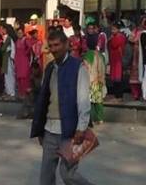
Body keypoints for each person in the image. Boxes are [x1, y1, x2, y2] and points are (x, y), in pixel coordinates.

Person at [30, 29, 94, 185]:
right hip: (49, 130)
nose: (53, 49)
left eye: (57, 45)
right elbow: (44, 99)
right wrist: (39, 128)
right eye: (51, 46)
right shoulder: (50, 67)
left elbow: (83, 100)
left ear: (66, 45)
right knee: (46, 177)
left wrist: (81, 128)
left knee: (68, 175)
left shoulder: (78, 68)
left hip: (70, 131)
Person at [82, 33, 107, 125]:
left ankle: (91, 119)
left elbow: (85, 68)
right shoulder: (101, 55)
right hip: (100, 81)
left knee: (90, 101)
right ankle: (100, 119)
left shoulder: (87, 55)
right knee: (99, 101)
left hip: (90, 81)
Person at [107, 21, 127, 102]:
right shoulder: (115, 36)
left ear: (118, 29)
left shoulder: (120, 37)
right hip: (114, 59)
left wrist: (111, 39)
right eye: (112, 29)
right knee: (115, 78)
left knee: (118, 78)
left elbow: (114, 45)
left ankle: (119, 96)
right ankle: (117, 95)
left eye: (114, 29)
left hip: (118, 59)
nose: (112, 31)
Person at [128, 18, 145, 100]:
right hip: (136, 54)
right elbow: (130, 38)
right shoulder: (136, 30)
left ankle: (143, 93)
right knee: (134, 74)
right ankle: (135, 94)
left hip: (144, 54)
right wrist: (136, 40)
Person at [15, 26, 33, 98]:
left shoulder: (25, 40)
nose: (19, 34)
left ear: (23, 33)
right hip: (18, 60)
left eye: (20, 33)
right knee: (19, 77)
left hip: (24, 60)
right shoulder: (17, 41)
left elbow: (29, 47)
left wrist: (25, 53)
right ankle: (20, 93)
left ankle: (25, 94)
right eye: (18, 33)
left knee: (24, 77)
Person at [3, 24, 18, 100]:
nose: (2, 30)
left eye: (3, 29)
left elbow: (3, 48)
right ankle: (9, 92)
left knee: (9, 76)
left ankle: (11, 92)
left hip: (8, 57)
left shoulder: (8, 38)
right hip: (9, 57)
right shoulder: (11, 38)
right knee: (9, 75)